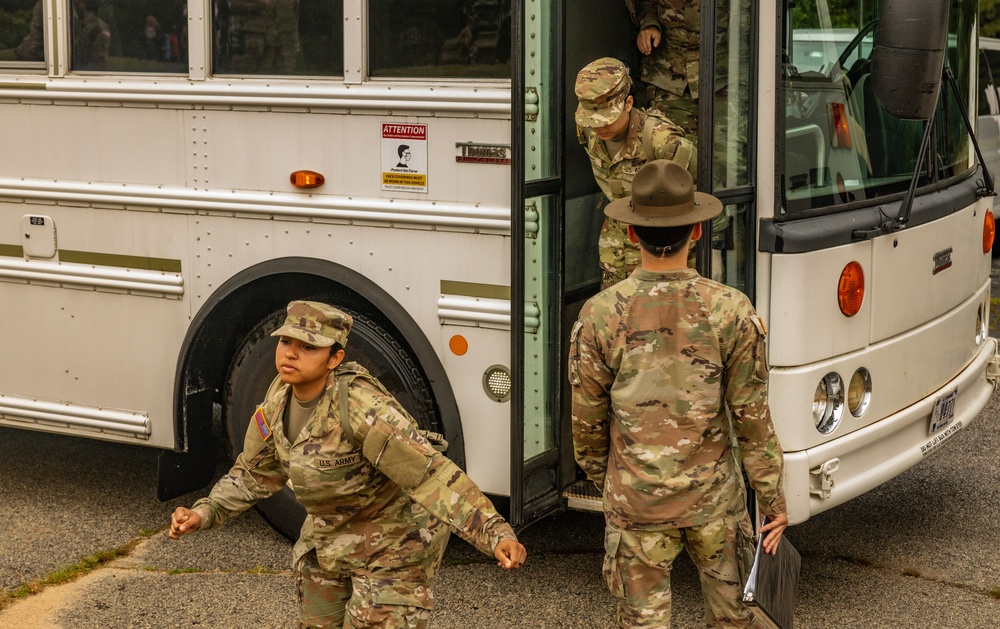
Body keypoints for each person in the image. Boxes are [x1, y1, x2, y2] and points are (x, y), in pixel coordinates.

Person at [169, 300, 526, 628]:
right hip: (331, 537)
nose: (291, 354)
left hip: (394, 543)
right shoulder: (278, 398)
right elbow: (255, 472)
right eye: (286, 342)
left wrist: (494, 533)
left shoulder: (361, 409)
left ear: (335, 358)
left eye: (308, 347)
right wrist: (204, 513)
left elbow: (430, 476)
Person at [569, 160, 787, 628]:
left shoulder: (600, 315)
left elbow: (586, 428)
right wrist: (772, 500)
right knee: (733, 619)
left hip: (637, 504)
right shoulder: (730, 309)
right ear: (697, 231)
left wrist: (613, 484)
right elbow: (752, 418)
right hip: (715, 504)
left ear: (631, 235)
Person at [575, 56, 696, 289]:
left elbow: (695, 201)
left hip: (660, 261)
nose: (598, 127)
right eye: (592, 120)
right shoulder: (589, 132)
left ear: (628, 103)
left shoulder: (662, 139)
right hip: (614, 257)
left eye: (606, 119)